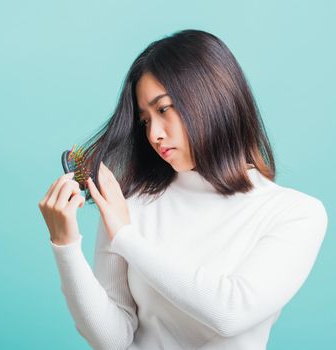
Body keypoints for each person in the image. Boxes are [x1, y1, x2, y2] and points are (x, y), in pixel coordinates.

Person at [38, 29, 328, 350]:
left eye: (163, 109)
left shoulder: (296, 214)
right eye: (145, 120)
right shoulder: (130, 204)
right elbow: (113, 340)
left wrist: (126, 238)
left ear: (211, 97)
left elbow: (230, 312)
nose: (154, 135)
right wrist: (65, 246)